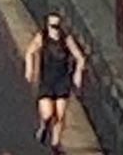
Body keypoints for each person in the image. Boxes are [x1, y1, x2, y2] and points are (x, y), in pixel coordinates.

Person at [24, 12, 85, 150]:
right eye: (53, 26)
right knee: (48, 113)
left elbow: (80, 58)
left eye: (58, 26)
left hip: (62, 80)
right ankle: (44, 125)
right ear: (47, 25)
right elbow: (30, 52)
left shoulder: (66, 40)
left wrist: (77, 75)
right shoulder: (42, 38)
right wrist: (29, 69)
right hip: (47, 80)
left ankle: (55, 144)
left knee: (60, 115)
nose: (55, 29)